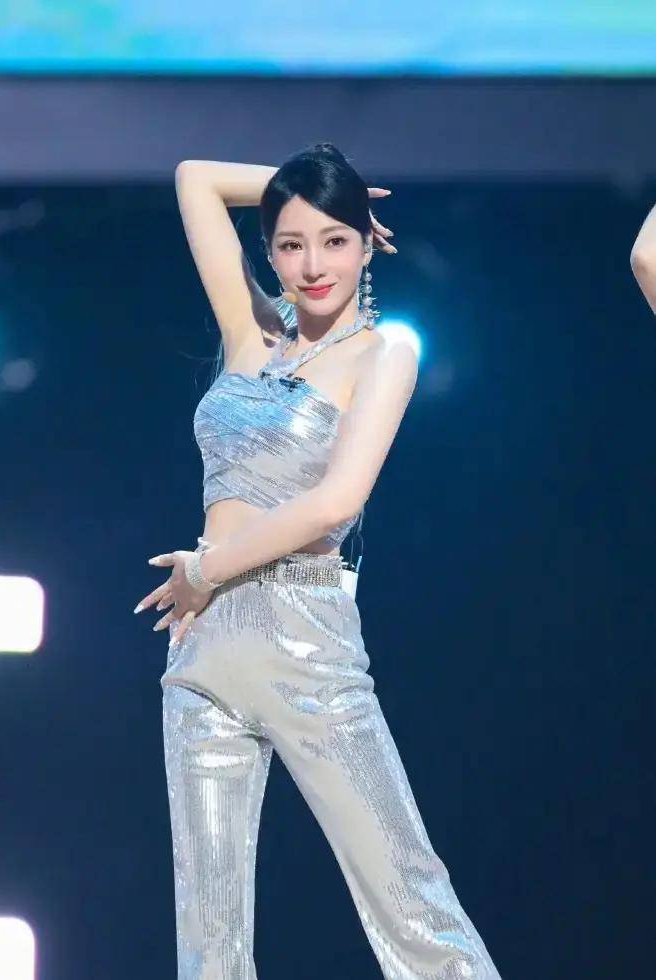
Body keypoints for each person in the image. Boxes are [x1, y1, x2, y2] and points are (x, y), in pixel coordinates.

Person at [134, 142, 503, 979]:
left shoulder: (384, 353)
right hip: (203, 648)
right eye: (292, 243)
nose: (313, 265)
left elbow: (336, 502)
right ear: (270, 252)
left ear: (368, 245)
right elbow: (195, 179)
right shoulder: (252, 334)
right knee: (209, 945)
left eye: (336, 240)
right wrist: (302, 185)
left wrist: (207, 569)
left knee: (412, 904)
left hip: (304, 634)